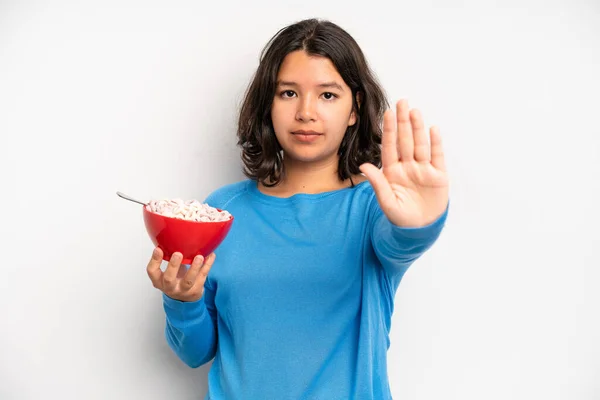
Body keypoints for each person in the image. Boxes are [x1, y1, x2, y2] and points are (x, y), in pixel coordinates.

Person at [146, 18, 449, 400]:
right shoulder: (221, 211)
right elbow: (195, 353)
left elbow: (403, 240)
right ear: (268, 105)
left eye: (327, 95)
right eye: (288, 93)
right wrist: (182, 300)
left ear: (354, 109)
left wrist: (422, 222)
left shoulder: (375, 207)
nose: (306, 112)